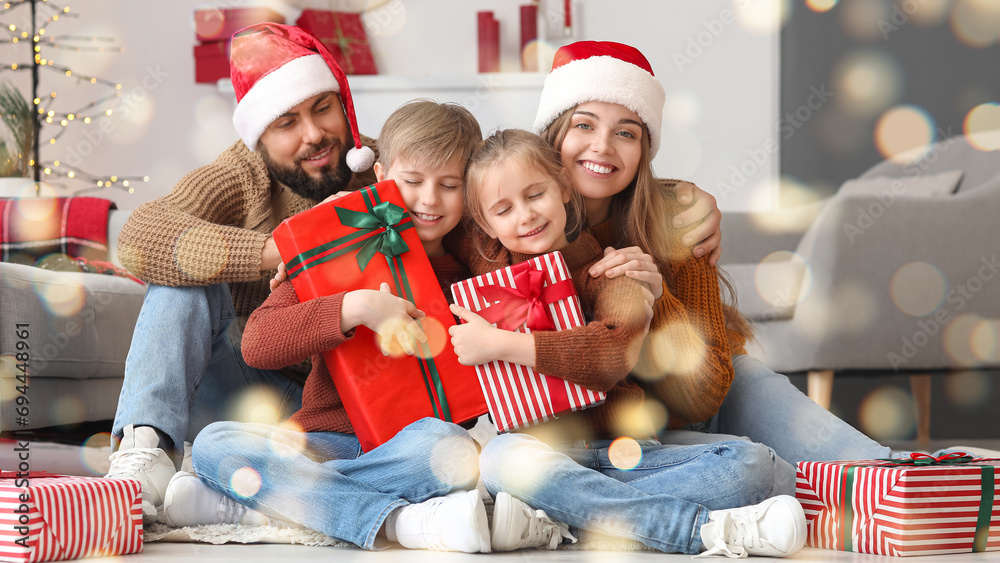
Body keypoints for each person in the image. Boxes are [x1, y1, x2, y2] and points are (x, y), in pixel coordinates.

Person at [155, 100, 542, 553]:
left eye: (450, 185)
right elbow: (258, 345)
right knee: (212, 445)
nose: (429, 199)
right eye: (412, 181)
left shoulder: (473, 274)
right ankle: (397, 521)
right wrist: (352, 307)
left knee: (454, 450)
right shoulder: (337, 252)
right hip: (323, 441)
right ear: (380, 176)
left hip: (410, 450)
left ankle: (269, 502)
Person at [449, 128, 806, 557]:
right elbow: (420, 192)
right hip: (546, 454)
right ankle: (702, 530)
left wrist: (499, 344)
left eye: (535, 194)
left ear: (565, 185)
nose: (524, 215)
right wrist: (351, 186)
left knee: (752, 468)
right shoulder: (487, 257)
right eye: (504, 209)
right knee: (499, 457)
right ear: (485, 224)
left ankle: (562, 516)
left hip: (630, 452)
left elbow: (612, 353)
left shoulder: (615, 268)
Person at [532, 40, 891, 466]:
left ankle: (896, 478)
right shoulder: (515, 222)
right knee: (760, 474)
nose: (604, 146)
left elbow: (702, 399)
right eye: (584, 125)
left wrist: (656, 295)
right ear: (553, 135)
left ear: (644, 150)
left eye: (626, 132)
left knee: (753, 384)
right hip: (605, 440)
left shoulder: (681, 221)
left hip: (684, 420)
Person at [104, 23, 381, 522]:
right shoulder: (244, 175)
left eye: (323, 108)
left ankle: (241, 490)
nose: (314, 134)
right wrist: (281, 248)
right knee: (180, 273)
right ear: (260, 136)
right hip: (252, 389)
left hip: (351, 408)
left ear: (344, 105)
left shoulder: (386, 166)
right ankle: (143, 457)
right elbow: (140, 235)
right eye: (286, 123)